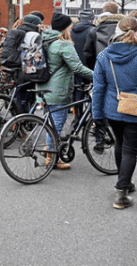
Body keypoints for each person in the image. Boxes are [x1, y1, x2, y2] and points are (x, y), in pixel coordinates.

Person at [92, 17, 137, 209]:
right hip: (136, 108)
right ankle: (121, 193)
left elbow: (99, 88)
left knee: (120, 144)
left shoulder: (104, 56)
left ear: (116, 31)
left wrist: (97, 115)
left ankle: (125, 183)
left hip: (113, 108)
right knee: (130, 150)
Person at [37, 13, 94, 170]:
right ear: (65, 27)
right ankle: (52, 158)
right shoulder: (62, 44)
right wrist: (98, 76)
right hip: (58, 88)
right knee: (56, 124)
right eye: (70, 26)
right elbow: (77, 67)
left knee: (50, 122)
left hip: (43, 86)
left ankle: (49, 149)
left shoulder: (45, 39)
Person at [83, 1, 124, 68]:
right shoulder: (125, 29)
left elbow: (88, 54)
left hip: (102, 68)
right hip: (122, 69)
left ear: (103, 12)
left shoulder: (94, 31)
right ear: (117, 12)